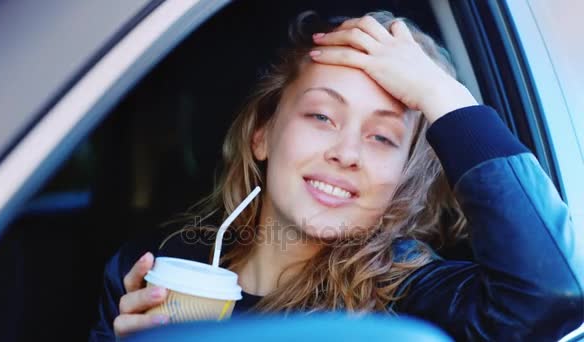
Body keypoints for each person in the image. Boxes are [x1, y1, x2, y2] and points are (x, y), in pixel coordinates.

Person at [89, 11, 583, 341]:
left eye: (382, 138)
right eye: (322, 117)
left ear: (402, 179)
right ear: (262, 134)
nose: (347, 153)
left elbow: (551, 295)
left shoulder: (415, 298)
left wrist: (443, 97)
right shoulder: (153, 268)